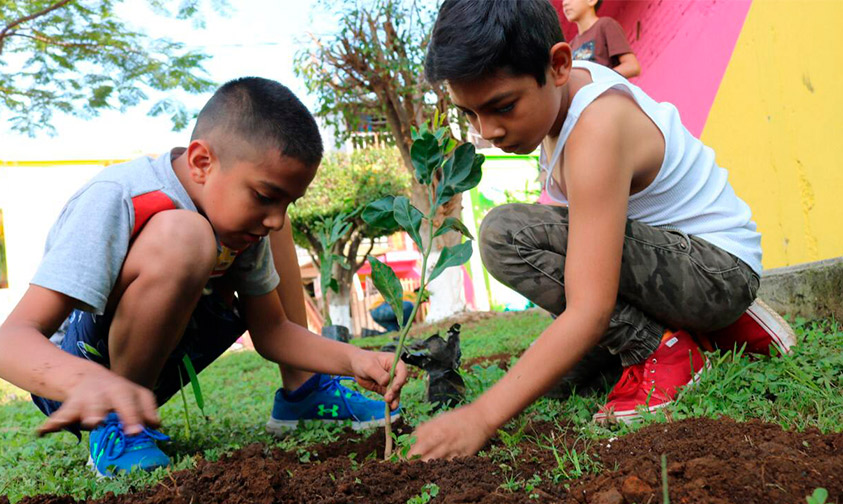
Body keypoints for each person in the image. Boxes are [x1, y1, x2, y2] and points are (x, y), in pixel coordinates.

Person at [408, 0, 796, 460]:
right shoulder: (557, 107)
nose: (487, 130)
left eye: (502, 106)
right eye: (469, 114)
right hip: (684, 266)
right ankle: (722, 335)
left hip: (715, 271)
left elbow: (591, 307)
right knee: (560, 382)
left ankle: (667, 348)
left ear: (557, 65)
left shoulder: (597, 125)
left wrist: (481, 416)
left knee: (505, 234)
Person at [0, 77, 406, 477]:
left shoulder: (244, 220)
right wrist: (84, 382)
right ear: (201, 162)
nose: (277, 216)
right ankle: (118, 427)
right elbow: (11, 339)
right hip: (75, 380)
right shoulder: (119, 194)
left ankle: (304, 391)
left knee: (261, 228)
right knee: (190, 235)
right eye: (265, 196)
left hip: (144, 380)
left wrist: (354, 358)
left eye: (288, 202)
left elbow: (272, 331)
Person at [562, 0, 641, 79]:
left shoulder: (605, 25)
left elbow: (632, 66)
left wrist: (596, 81)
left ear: (591, 1)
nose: (565, 3)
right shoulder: (570, 46)